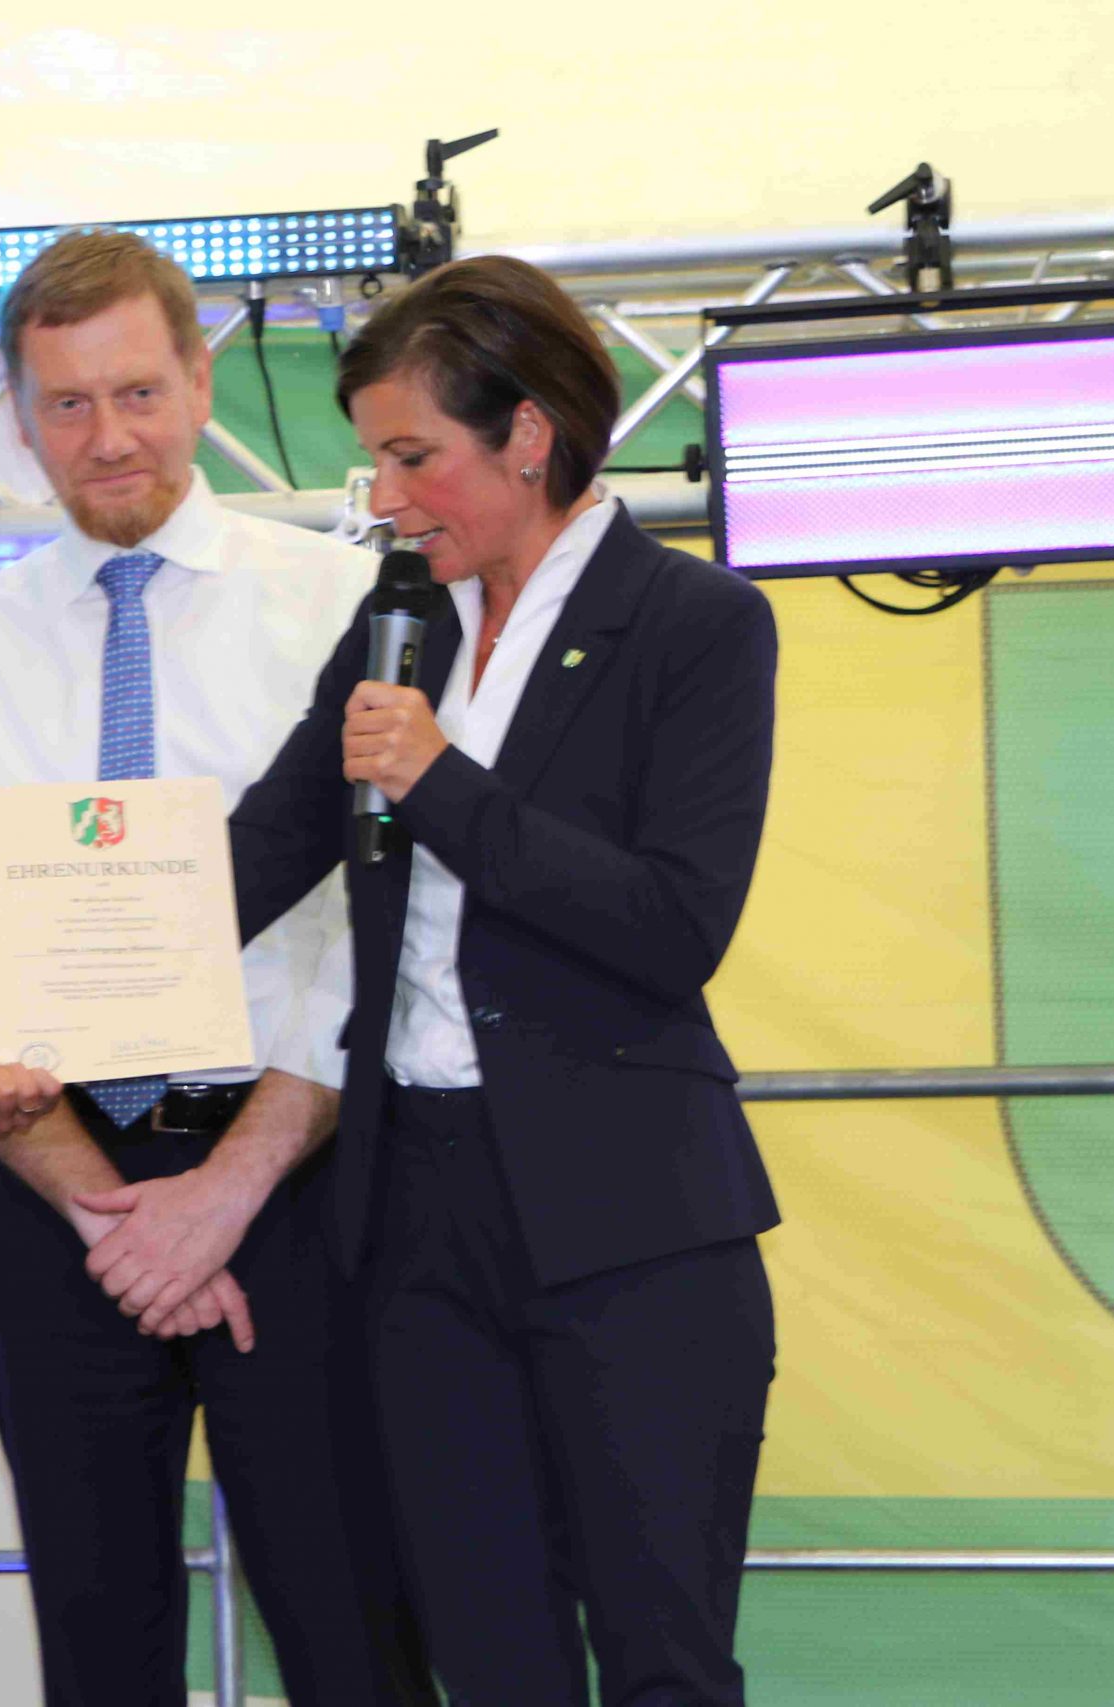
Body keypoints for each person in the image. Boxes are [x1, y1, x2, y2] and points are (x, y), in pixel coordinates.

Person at [207, 254, 783, 1704]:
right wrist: (43, 996)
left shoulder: (699, 624)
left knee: (660, 1661)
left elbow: (675, 924)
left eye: (415, 457)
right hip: (418, 1217)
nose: (387, 498)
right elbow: (261, 854)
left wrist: (442, 782)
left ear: (528, 434)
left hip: (631, 1225)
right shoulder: (398, 622)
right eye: (375, 462)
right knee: (487, 1655)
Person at [0, 229, 432, 1706]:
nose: (109, 436)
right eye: (67, 404)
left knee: (353, 1635)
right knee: (97, 1647)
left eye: (137, 392)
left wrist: (226, 1192)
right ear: (19, 418)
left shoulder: (337, 604)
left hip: (295, 1176)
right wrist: (108, 1211)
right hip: (57, 1196)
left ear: (201, 383)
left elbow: (380, 932)